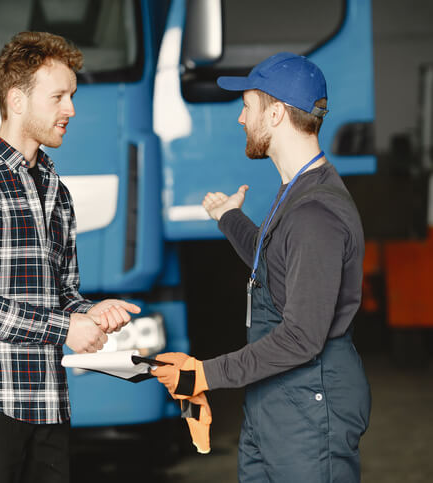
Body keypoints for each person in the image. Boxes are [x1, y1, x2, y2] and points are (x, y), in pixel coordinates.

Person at [151, 52, 371, 482]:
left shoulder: (314, 215)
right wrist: (230, 219)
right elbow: (276, 264)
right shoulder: (298, 192)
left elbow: (303, 337)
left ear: (274, 114)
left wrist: (205, 374)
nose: (240, 118)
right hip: (279, 400)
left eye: (246, 105)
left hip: (310, 407)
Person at [0, 31, 140, 483]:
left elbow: (58, 292)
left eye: (72, 96)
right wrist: (68, 327)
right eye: (59, 96)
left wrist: (89, 311)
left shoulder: (54, 188)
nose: (71, 110)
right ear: (17, 100)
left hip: (48, 400)